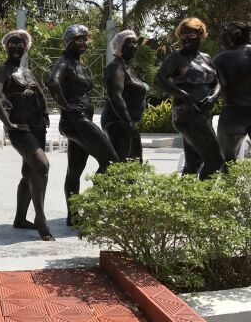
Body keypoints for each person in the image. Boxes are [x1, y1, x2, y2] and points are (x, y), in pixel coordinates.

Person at [47, 24, 118, 226]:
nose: (83, 43)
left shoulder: (78, 64)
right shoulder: (66, 62)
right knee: (111, 161)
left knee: (75, 169)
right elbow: (53, 83)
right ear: (68, 42)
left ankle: (74, 215)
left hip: (79, 120)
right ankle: (91, 207)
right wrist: (66, 106)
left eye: (85, 39)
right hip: (76, 120)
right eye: (78, 39)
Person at [0, 29, 54, 241]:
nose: (17, 47)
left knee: (29, 172)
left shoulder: (27, 71)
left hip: (38, 127)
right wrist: (8, 123)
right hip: (21, 128)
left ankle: (19, 218)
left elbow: (40, 92)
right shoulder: (3, 70)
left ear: (26, 47)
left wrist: (44, 114)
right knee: (42, 165)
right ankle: (41, 219)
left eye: (20, 44)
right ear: (6, 47)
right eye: (12, 44)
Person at [154, 17, 223, 179]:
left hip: (203, 116)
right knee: (215, 160)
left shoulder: (206, 58)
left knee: (193, 164)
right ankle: (202, 199)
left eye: (190, 36)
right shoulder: (176, 57)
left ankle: (184, 201)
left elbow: (217, 82)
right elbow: (159, 80)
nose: (185, 40)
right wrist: (184, 95)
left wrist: (213, 96)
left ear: (200, 35)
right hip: (186, 116)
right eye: (182, 36)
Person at [101, 30, 149, 162]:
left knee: (134, 162)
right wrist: (128, 123)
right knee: (121, 164)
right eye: (130, 43)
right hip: (118, 123)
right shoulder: (116, 68)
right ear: (119, 46)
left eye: (135, 42)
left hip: (126, 123)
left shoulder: (126, 67)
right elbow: (115, 96)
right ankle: (103, 183)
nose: (135, 46)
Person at [213, 21, 251, 164]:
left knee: (228, 162)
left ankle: (230, 185)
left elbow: (210, 87)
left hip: (231, 115)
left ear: (230, 38)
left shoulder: (220, 59)